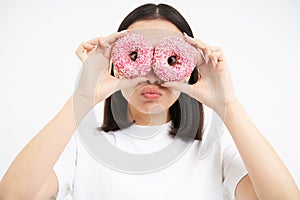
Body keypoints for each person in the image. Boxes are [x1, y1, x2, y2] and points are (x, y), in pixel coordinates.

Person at [0, 3, 299, 200]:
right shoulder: (80, 141)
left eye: (169, 58)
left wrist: (228, 104)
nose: (153, 75)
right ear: (115, 62)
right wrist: (81, 98)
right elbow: (12, 196)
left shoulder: (214, 143)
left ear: (189, 65)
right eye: (137, 56)